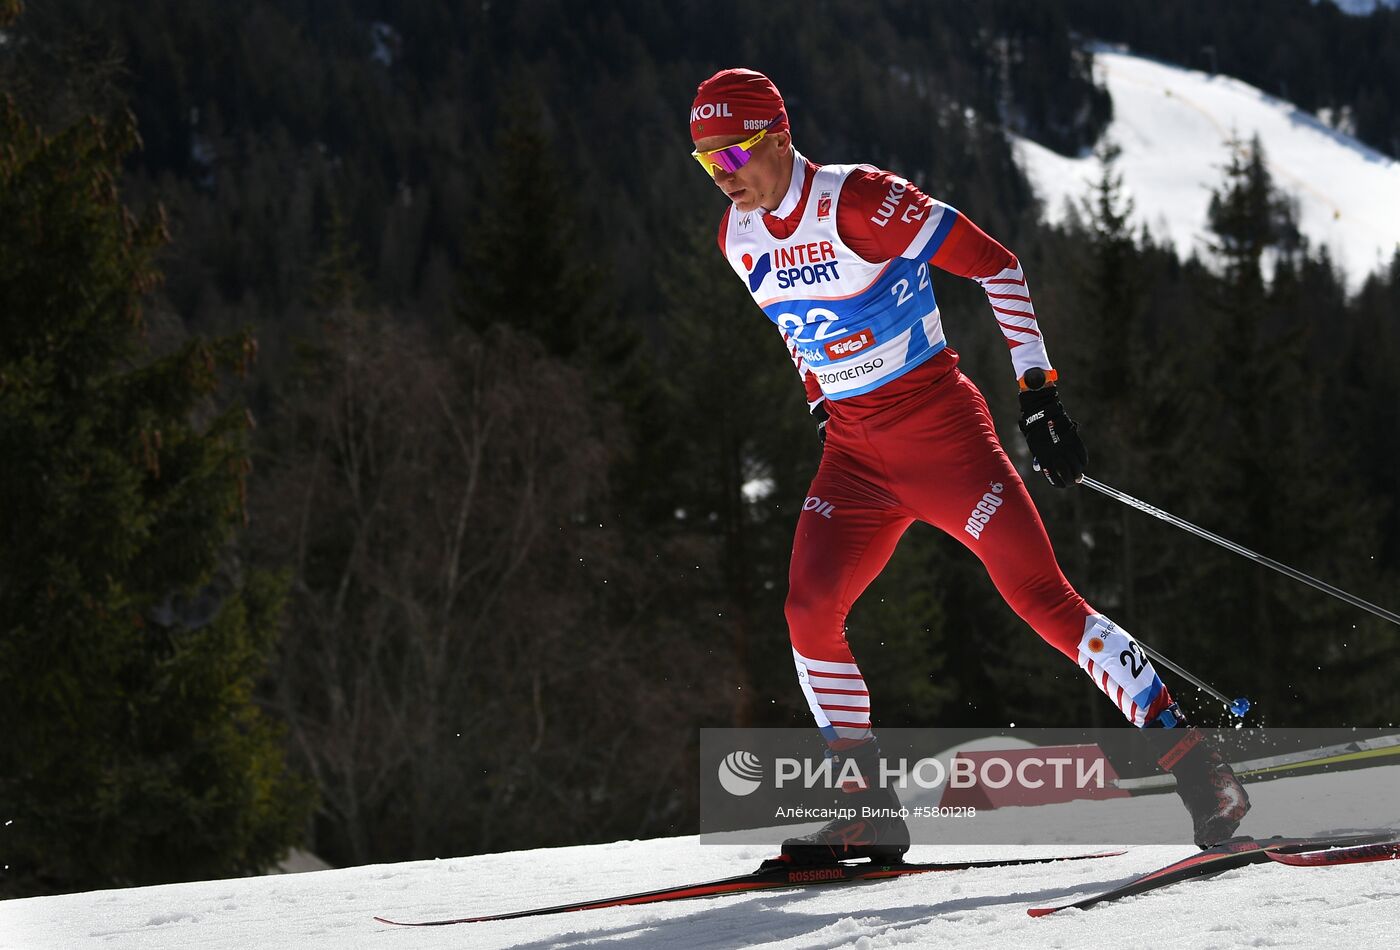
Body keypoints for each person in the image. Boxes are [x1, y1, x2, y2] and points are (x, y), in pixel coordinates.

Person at [689, 68, 1249, 864]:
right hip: (854, 458)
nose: (723, 175)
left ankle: (1200, 768)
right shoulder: (734, 238)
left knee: (1044, 601)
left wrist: (1040, 397)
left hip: (944, 439)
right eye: (704, 161)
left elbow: (999, 266)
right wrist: (822, 402)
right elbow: (797, 332)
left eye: (733, 153)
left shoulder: (858, 202)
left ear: (779, 134)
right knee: (808, 612)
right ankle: (867, 810)